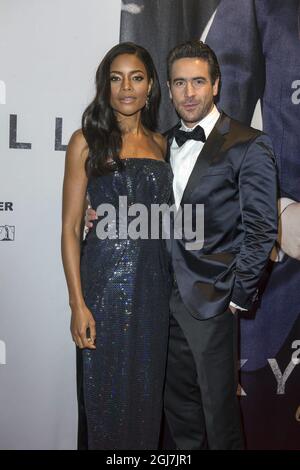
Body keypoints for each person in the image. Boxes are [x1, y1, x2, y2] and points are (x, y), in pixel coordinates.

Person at [86, 40, 278, 450]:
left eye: (197, 82)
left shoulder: (248, 143)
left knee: (220, 423)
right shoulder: (159, 143)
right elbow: (139, 204)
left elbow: (262, 229)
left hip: (212, 304)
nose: (188, 93)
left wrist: (237, 297)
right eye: (179, 83)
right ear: (168, 89)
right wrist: (97, 207)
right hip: (154, 302)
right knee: (180, 423)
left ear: (216, 85)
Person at [61, 42, 173, 450]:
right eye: (116, 77)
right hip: (102, 294)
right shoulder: (85, 141)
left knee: (146, 404)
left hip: (153, 295)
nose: (126, 87)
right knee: (102, 401)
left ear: (150, 88)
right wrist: (78, 303)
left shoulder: (162, 145)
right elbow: (72, 227)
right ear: (106, 86)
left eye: (136, 77)